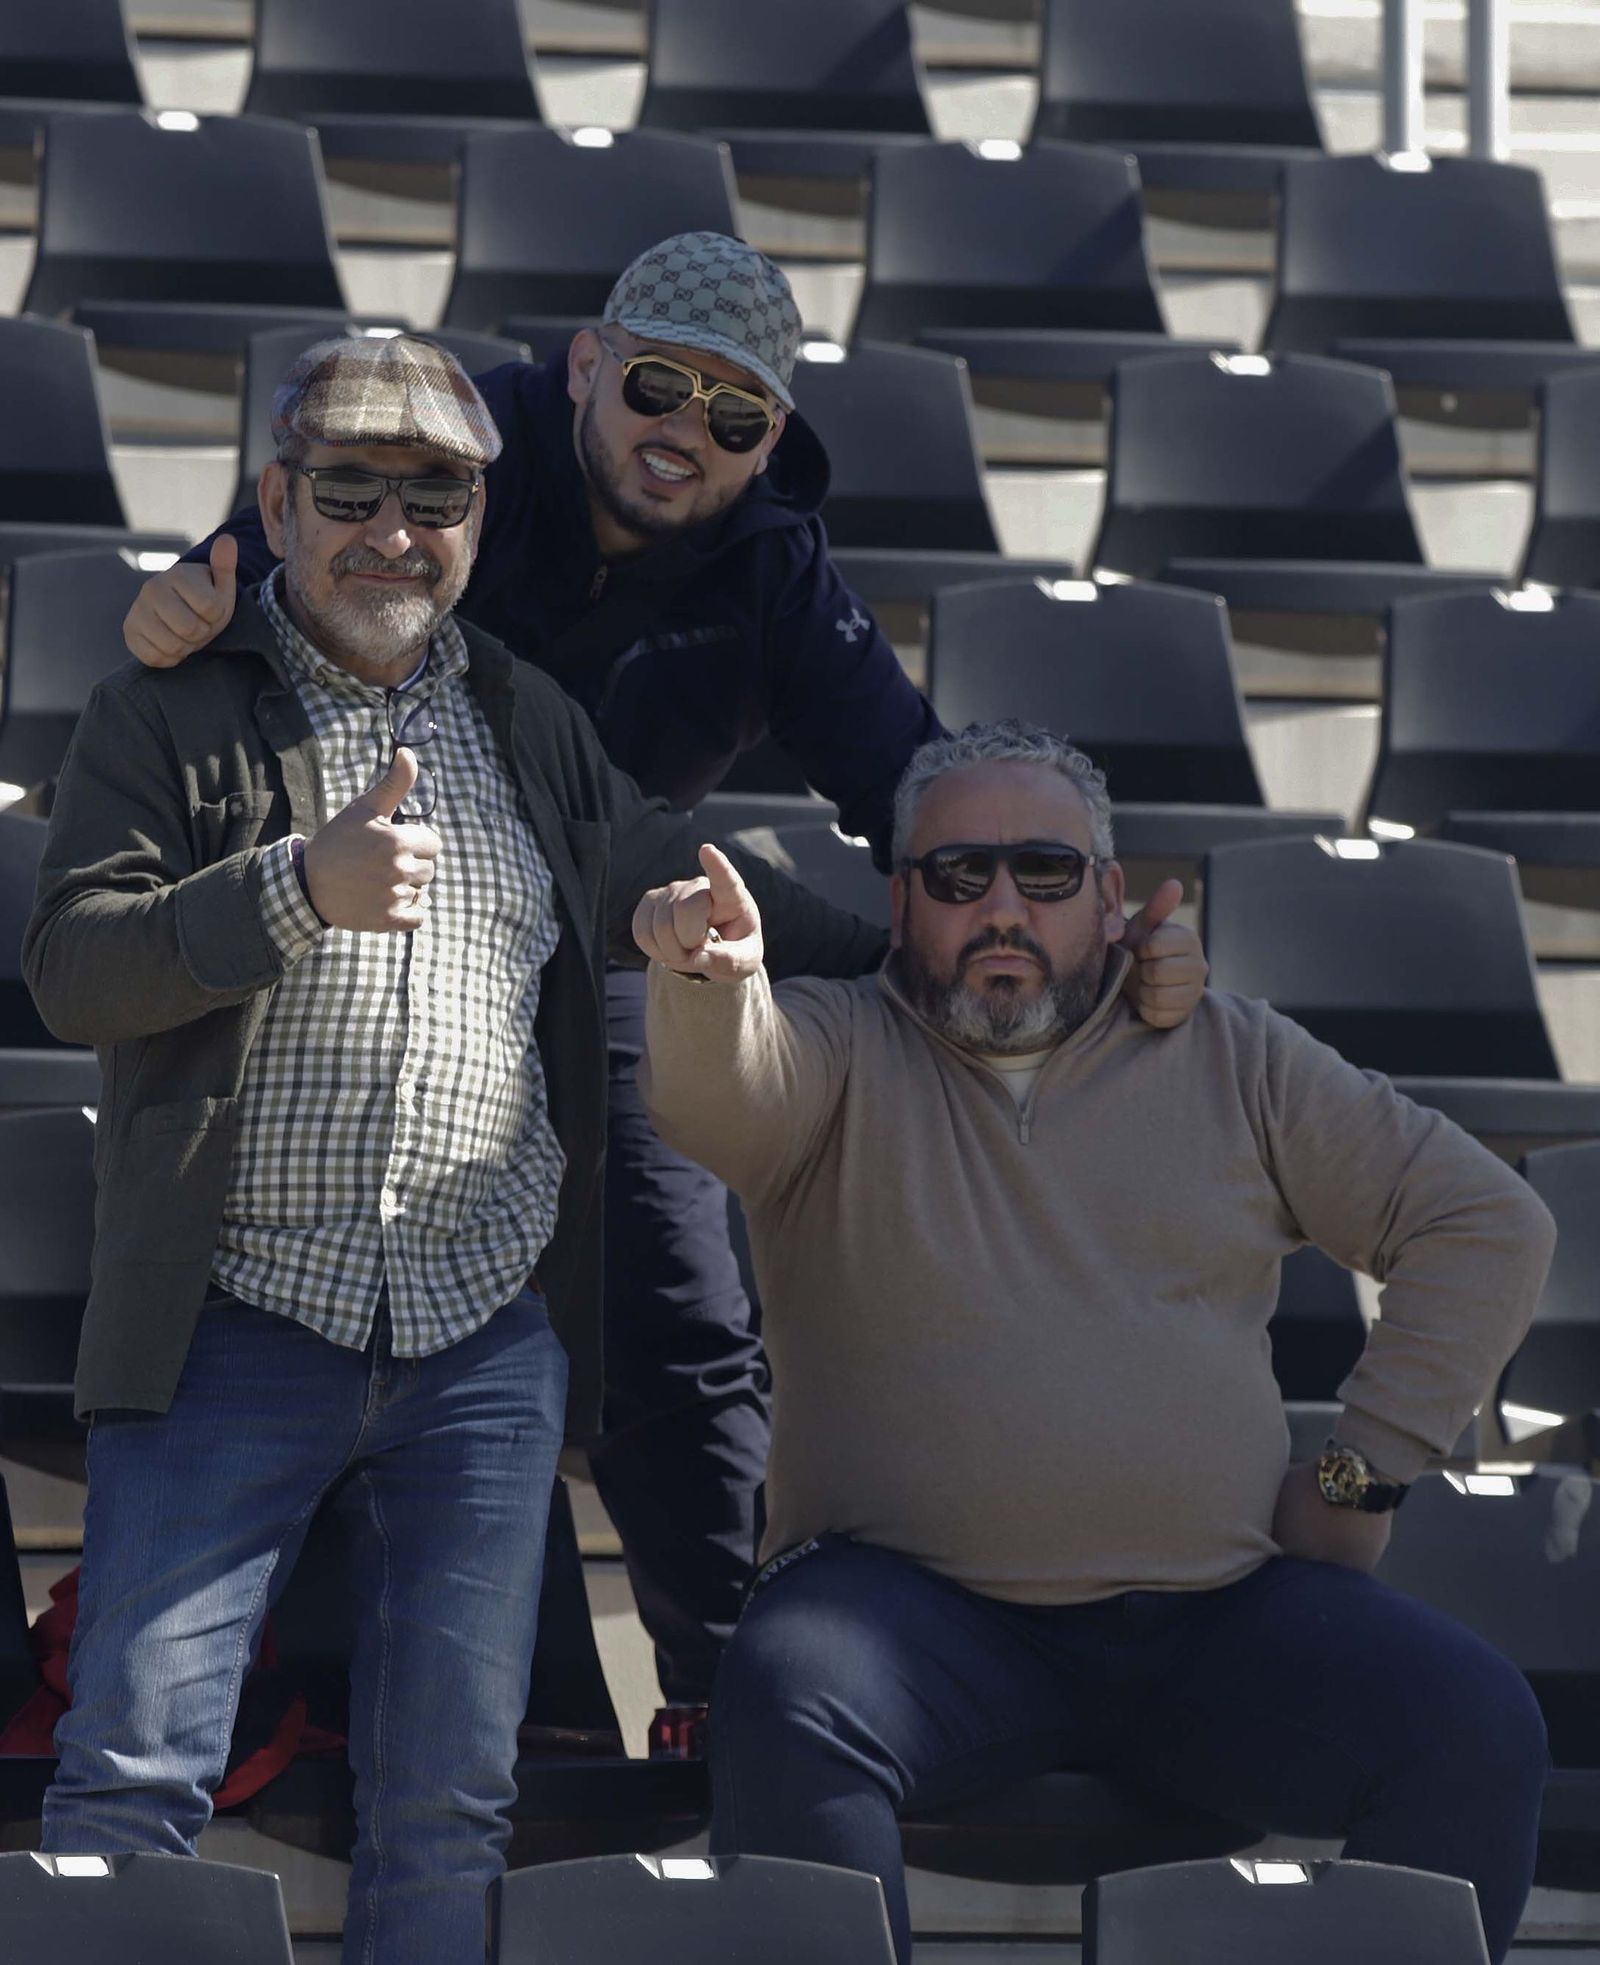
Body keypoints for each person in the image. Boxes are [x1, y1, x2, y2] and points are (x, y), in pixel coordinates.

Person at [117, 234, 1207, 1712]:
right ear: (585, 366)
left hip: (613, 939)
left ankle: (728, 1693)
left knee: (678, 1313)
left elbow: (915, 786)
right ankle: (323, 1693)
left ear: (769, 442)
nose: (686, 432)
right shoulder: (456, 452)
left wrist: (1075, 927)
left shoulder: (772, 567)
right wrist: (179, 609)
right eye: (655, 388)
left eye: (734, 415)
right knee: (331, 1304)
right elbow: (249, 579)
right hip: (360, 921)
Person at [22, 333, 892, 1965]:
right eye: (351, 490)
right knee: (134, 1773)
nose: (392, 532)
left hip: (478, 1351)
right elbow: (74, 967)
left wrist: (879, 946)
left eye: (434, 500)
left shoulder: (527, 718)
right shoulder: (167, 709)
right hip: (230, 1322)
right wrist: (295, 889)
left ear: (481, 523)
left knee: (447, 1812)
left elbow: (656, 858)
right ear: (279, 501)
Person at [633, 720, 1558, 1965]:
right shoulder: (836, 1045)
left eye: (1044, 872)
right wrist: (709, 985)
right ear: (901, 902)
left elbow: (1485, 1223)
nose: (1001, 907)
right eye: (958, 875)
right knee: (785, 1693)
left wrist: (1361, 1472)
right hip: (912, 1621)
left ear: (1110, 898)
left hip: (1213, 1617)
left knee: (1475, 1725)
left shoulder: (1232, 1053)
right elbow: (721, 1096)